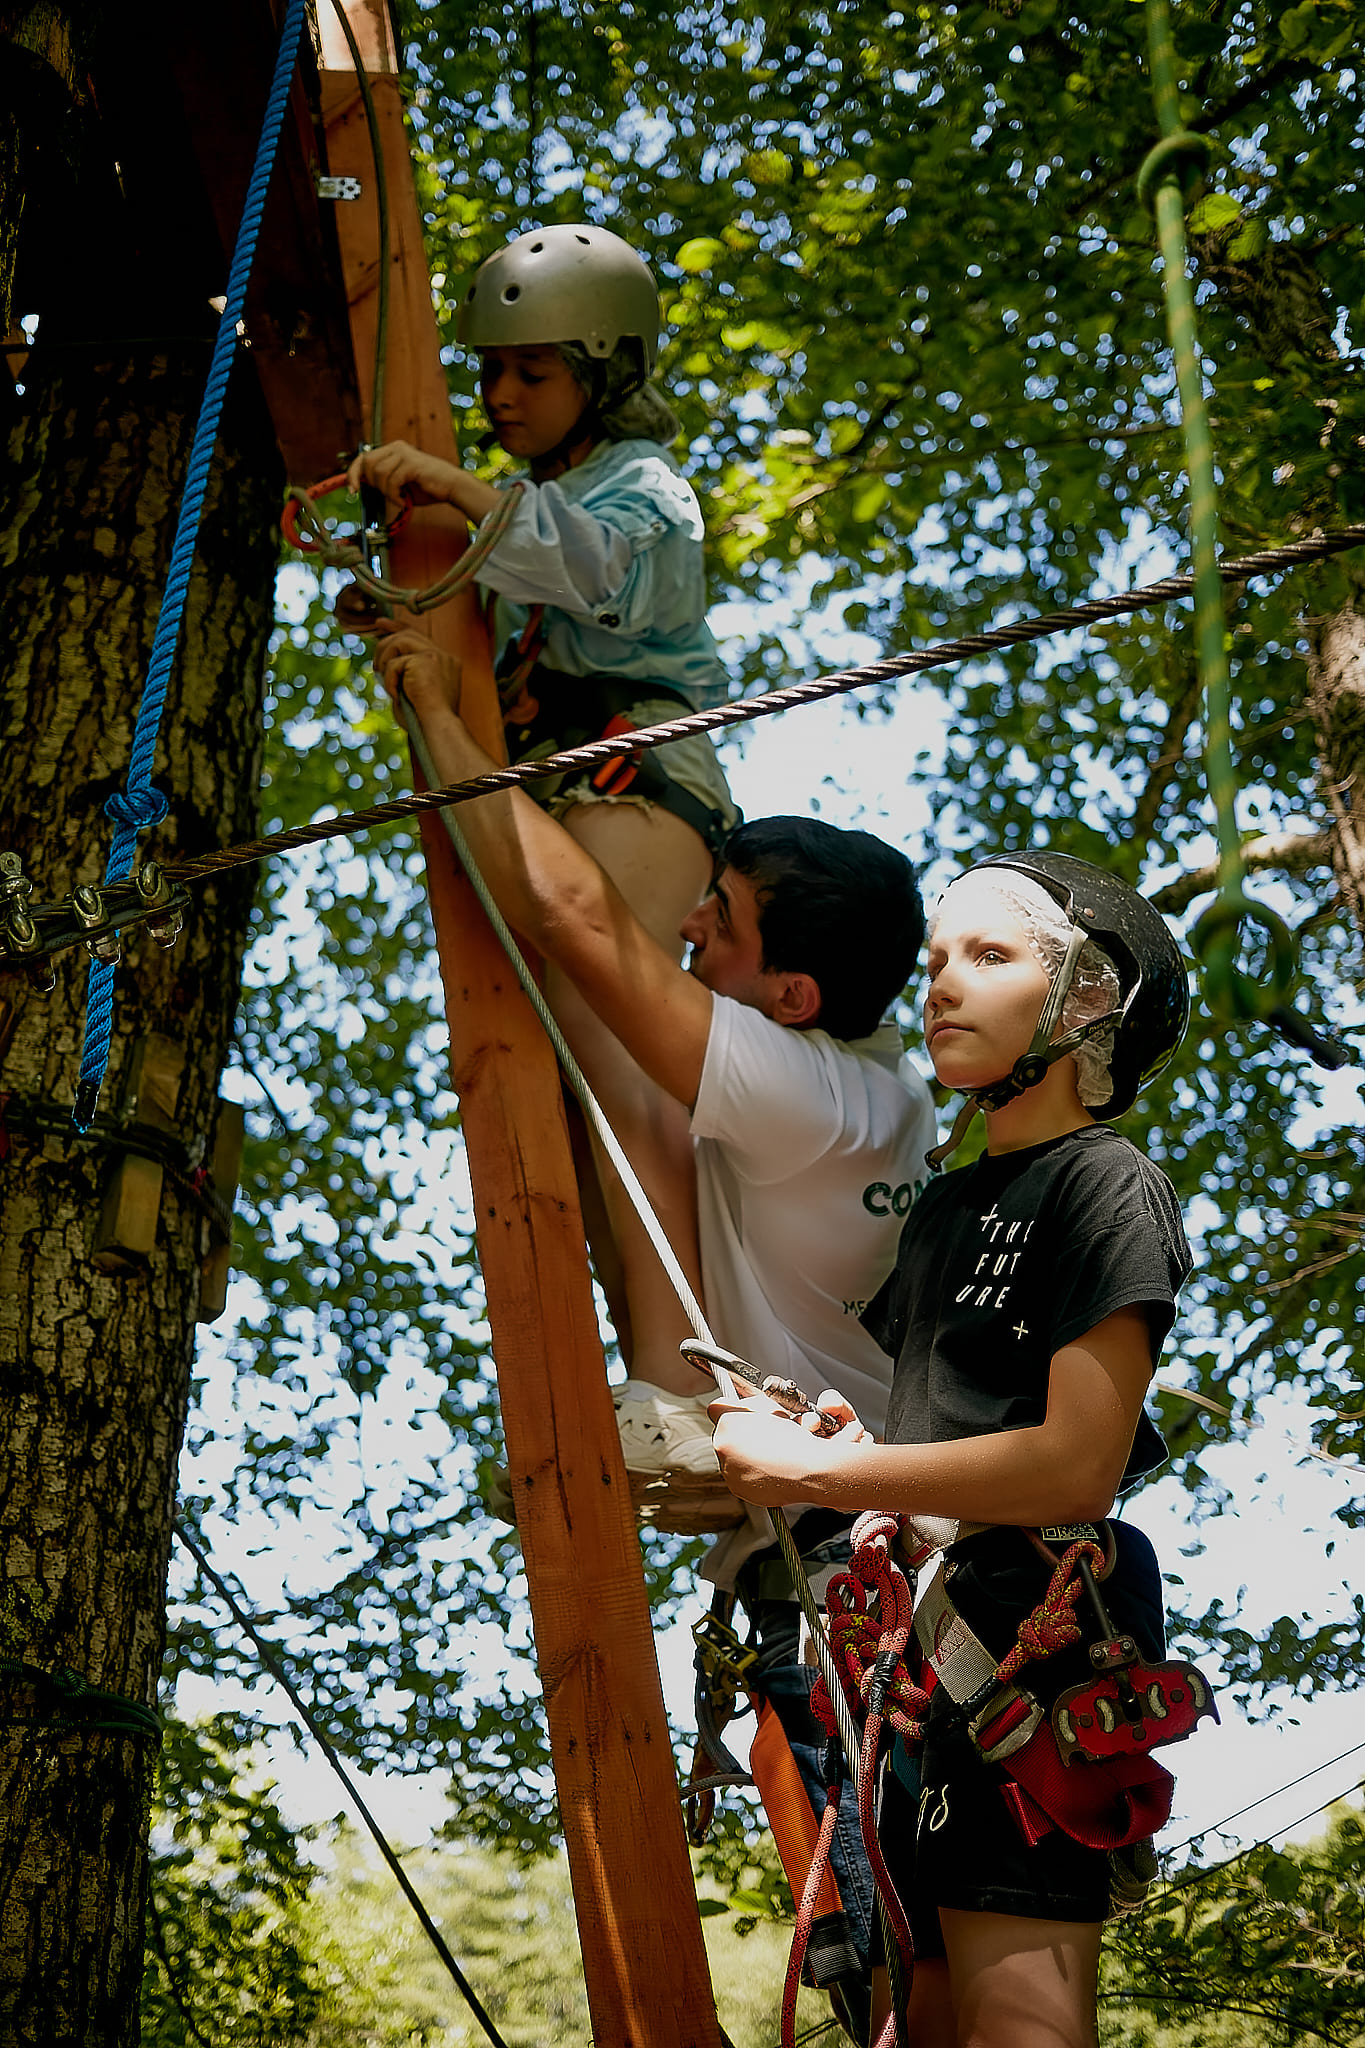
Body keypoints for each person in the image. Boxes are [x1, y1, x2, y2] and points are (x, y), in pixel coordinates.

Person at [368, 622, 939, 2031]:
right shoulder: (868, 1081)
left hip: (846, 1587)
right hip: (826, 1568)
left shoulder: (809, 1096)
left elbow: (576, 921)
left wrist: (441, 719)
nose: (689, 926)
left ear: (790, 996)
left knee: (900, 1972)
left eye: (719, 923)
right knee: (880, 1954)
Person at [710, 852, 1193, 2048]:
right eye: (934, 962)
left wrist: (828, 1476)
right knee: (918, 2021)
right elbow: (949, 1442)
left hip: (1036, 1633)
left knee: (1018, 2012)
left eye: (989, 956)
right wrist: (852, 1448)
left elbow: (1077, 1463)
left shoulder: (1104, 1183)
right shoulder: (941, 1213)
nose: (940, 985)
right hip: (923, 1656)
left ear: (1088, 1002)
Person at [349, 223, 739, 1445]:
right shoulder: (549, 497)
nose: (503, 395)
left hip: (642, 777)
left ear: (604, 373)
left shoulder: (639, 488)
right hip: (569, 784)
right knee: (575, 1110)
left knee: (615, 1068)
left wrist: (462, 492)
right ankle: (653, 1382)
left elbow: (606, 571)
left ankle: (689, 1387)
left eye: (535, 370)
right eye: (493, 371)